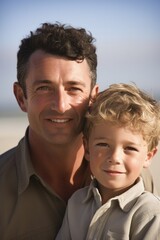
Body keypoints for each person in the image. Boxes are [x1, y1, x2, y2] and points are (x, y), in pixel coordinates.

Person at [0, 23, 157, 239]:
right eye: (44, 88)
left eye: (74, 88)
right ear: (21, 97)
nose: (61, 105)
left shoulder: (136, 177)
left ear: (93, 97)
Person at [56, 83, 160, 240]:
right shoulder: (76, 203)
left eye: (130, 148)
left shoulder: (150, 212)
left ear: (148, 156)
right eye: (103, 145)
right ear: (87, 149)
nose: (115, 158)